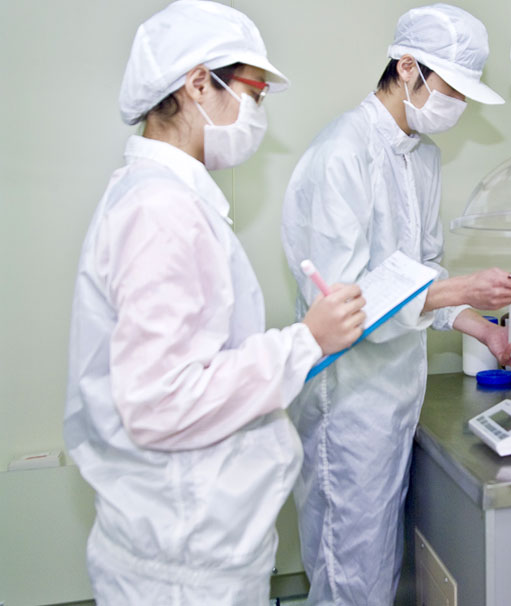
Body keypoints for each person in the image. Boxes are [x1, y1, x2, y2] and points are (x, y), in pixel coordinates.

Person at [63, 2, 366, 603]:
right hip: (183, 562)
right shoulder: (160, 211)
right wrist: (306, 341)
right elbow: (160, 401)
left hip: (191, 544)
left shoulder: (165, 198)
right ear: (198, 84)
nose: (258, 114)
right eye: (254, 93)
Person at [281, 4, 511, 604]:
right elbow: (346, 305)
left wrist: (487, 331)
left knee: (374, 569)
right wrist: (465, 290)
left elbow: (425, 276)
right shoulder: (342, 152)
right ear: (406, 68)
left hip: (397, 397)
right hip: (347, 403)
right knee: (348, 578)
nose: (458, 104)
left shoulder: (423, 158)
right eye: (452, 87)